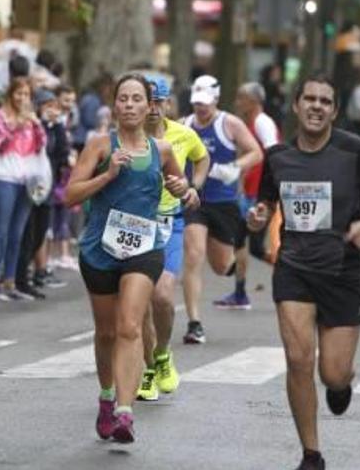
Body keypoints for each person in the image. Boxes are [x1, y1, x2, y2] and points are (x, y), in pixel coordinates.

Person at [247, 74, 360, 470]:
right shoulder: (278, 156)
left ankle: (341, 382)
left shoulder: (355, 151)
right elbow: (264, 203)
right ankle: (311, 454)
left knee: (331, 373)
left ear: (334, 110)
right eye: (310, 99)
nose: (317, 106)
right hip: (294, 268)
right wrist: (259, 216)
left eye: (325, 101)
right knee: (299, 361)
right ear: (296, 106)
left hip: (343, 271)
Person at [64, 73, 189, 443]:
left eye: (138, 99)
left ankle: (124, 411)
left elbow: (180, 187)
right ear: (114, 105)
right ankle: (106, 397)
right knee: (105, 333)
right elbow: (70, 195)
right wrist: (108, 174)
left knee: (130, 327)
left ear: (150, 106)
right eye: (124, 99)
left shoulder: (162, 150)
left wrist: (186, 191)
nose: (131, 105)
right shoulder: (100, 146)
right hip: (100, 250)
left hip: (144, 248)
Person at [136, 75, 209, 401]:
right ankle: (149, 369)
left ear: (167, 104)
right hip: (135, 223)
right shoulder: (128, 135)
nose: (152, 108)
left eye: (158, 102)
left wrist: (195, 185)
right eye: (147, 101)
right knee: (140, 305)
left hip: (170, 223)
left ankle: (163, 354)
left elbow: (202, 156)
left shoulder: (183, 134)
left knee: (163, 297)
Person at [181, 74, 262, 344]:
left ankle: (233, 262)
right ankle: (194, 323)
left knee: (220, 265)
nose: (200, 108)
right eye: (196, 103)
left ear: (216, 99)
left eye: (205, 102)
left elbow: (256, 152)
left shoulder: (229, 123)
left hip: (224, 203)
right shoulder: (185, 125)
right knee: (193, 254)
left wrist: (235, 167)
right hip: (196, 200)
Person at [213, 82, 279, 309]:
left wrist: (269, 191)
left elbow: (273, 154)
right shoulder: (249, 123)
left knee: (251, 245)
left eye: (242, 98)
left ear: (254, 101)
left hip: (258, 195)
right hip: (249, 192)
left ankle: (293, 273)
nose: (237, 102)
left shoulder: (262, 122)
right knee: (243, 241)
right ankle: (240, 293)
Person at [0, 77, 46, 301]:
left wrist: (36, 124)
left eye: (26, 94)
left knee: (17, 234)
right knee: (0, 231)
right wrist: (15, 125)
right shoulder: (0, 116)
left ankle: (10, 282)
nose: (22, 98)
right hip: (5, 178)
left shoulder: (31, 119)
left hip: (27, 181)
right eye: (18, 94)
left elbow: (41, 144)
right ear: (11, 94)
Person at [13, 88, 69, 299]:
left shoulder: (56, 127)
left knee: (39, 233)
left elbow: (62, 153)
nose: (52, 110)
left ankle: (24, 275)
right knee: (27, 233)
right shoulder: (33, 125)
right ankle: (19, 277)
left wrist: (58, 126)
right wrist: (44, 124)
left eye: (54, 106)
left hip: (47, 185)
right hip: (29, 184)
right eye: (47, 106)